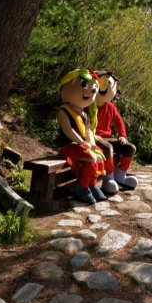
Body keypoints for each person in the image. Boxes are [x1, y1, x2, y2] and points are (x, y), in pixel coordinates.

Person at [56, 68, 107, 204]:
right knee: (90, 157)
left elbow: (88, 130)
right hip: (69, 145)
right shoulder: (64, 111)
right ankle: (82, 187)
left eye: (93, 90)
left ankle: (91, 184)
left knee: (99, 155)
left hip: (81, 145)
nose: (89, 92)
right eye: (84, 85)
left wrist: (91, 142)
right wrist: (81, 142)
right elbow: (68, 130)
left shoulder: (85, 113)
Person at [94, 71, 138, 190]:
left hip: (108, 137)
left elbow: (119, 122)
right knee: (108, 148)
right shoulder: (89, 105)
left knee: (130, 148)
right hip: (94, 139)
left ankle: (120, 175)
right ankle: (108, 179)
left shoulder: (110, 106)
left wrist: (122, 135)